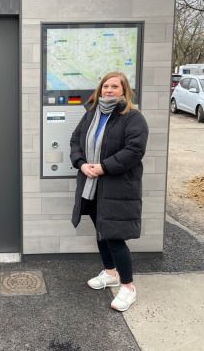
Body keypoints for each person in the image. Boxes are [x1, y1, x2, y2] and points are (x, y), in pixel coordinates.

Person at [69, 71, 149, 312]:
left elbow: (134, 150)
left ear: (124, 91)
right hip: (91, 185)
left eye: (115, 86)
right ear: (100, 89)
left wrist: (104, 167)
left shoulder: (133, 118)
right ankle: (111, 273)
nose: (109, 90)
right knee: (101, 232)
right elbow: (75, 141)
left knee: (114, 237)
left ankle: (127, 287)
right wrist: (81, 164)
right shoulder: (91, 114)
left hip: (117, 187)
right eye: (105, 86)